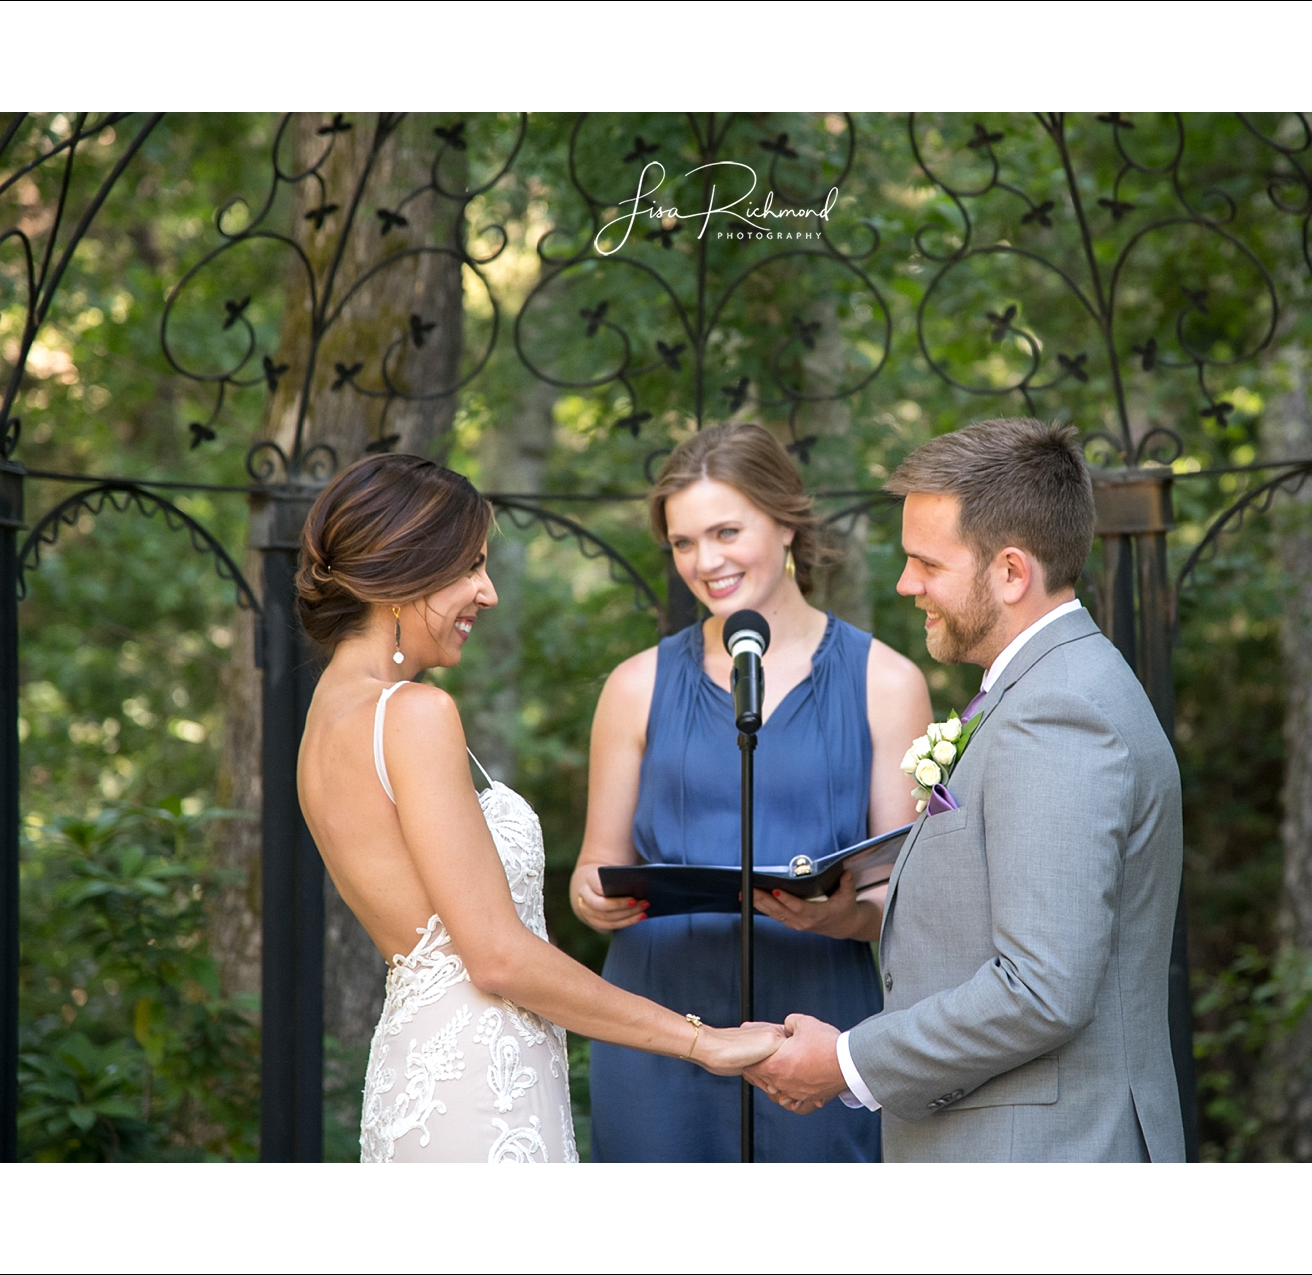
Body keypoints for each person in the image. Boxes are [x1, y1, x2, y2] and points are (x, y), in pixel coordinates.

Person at [293, 453, 783, 1163]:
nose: (486, 592)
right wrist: (704, 1040)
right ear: (401, 573)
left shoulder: (326, 717)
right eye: (468, 566)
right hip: (478, 1089)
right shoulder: (414, 713)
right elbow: (497, 956)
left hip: (429, 1069)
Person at [744, 417, 1187, 1163]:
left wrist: (848, 1060)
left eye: (926, 562)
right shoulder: (1042, 687)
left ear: (1011, 572)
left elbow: (1041, 988)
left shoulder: (1059, 711)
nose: (905, 583)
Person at [569, 422, 933, 1161]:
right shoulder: (634, 685)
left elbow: (907, 905)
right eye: (683, 542)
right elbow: (588, 872)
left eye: (727, 530)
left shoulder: (888, 683)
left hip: (820, 1029)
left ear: (788, 521)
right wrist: (593, 898)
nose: (705, 561)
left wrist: (839, 914)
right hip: (660, 1027)